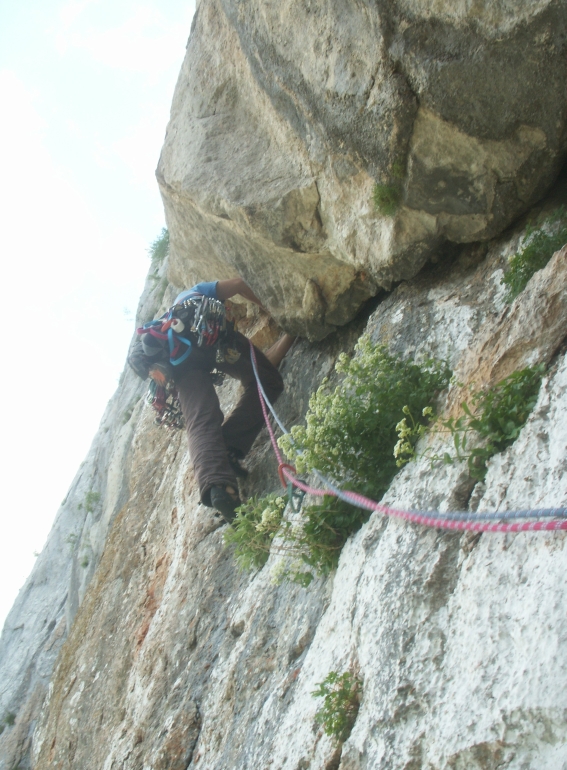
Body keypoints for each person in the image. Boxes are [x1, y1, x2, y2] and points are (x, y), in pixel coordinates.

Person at [129, 277, 294, 523]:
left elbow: (261, 369)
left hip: (179, 368)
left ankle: (219, 485)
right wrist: (277, 313)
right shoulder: (193, 294)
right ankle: (228, 447)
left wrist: (290, 335)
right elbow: (238, 283)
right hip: (212, 341)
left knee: (200, 419)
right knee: (267, 382)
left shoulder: (170, 334)